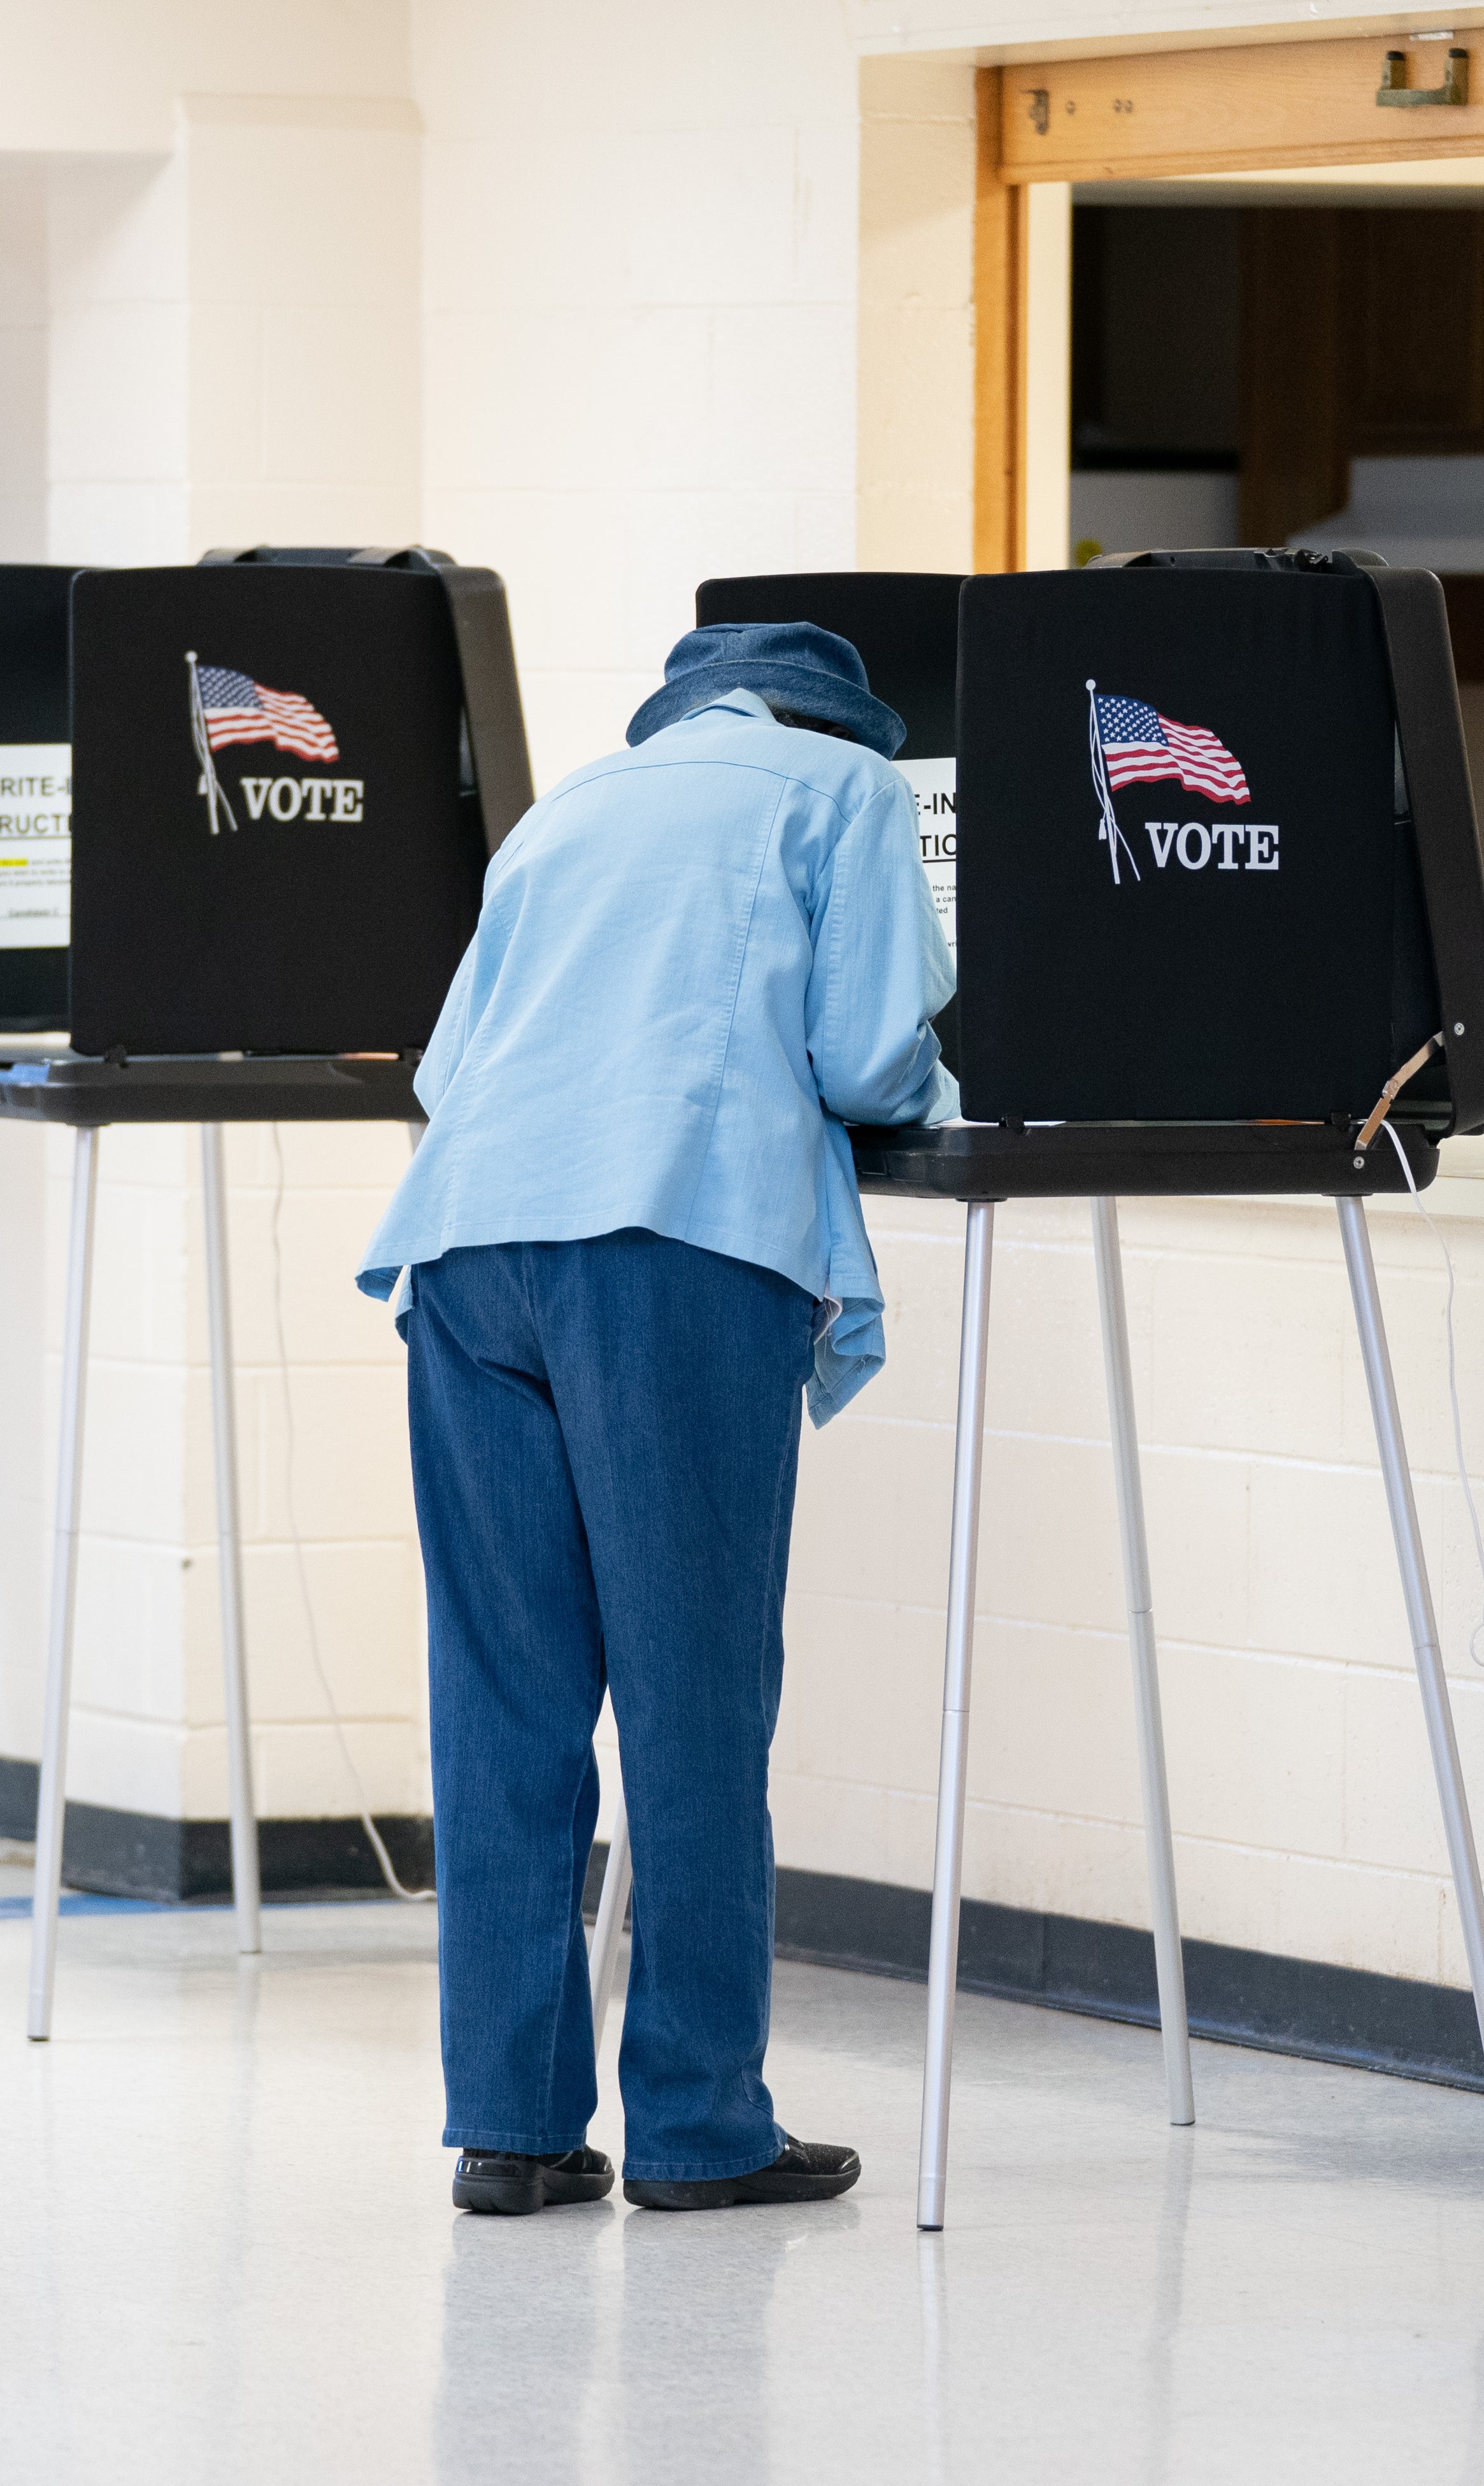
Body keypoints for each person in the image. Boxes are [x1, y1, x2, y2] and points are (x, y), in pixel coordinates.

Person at [357, 621, 957, 2215]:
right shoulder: (845, 792)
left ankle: (513, 2126)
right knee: (691, 1699)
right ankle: (698, 2124)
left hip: (466, 1248)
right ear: (847, 718)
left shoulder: (568, 810)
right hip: (671, 1240)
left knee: (505, 1701)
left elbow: (446, 1067)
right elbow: (871, 1055)